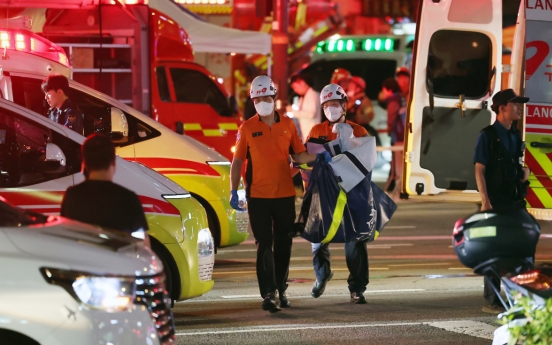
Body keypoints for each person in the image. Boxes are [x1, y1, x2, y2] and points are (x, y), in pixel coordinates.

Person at [229, 75, 328, 313]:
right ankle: (268, 294)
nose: (263, 101)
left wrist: (323, 157)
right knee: (264, 244)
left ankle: (281, 289)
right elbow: (237, 161)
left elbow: (300, 157)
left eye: (267, 97)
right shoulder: (248, 127)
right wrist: (234, 190)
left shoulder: (287, 125)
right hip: (258, 197)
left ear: (274, 98)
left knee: (283, 243)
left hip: (284, 195)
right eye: (258, 98)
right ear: (253, 100)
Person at [305, 83, 370, 304]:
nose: (331, 108)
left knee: (354, 241)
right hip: (323, 193)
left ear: (344, 105)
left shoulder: (359, 131)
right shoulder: (316, 132)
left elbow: (366, 163)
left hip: (350, 193)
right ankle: (322, 275)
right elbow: (307, 161)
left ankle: (357, 288)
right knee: (318, 239)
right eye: (327, 105)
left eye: (335, 104)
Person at [473, 89, 531, 314]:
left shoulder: (515, 135)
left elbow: (515, 164)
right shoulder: (486, 136)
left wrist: (522, 176)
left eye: (520, 104)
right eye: (514, 104)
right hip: (496, 202)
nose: (519, 107)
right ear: (501, 107)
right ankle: (492, 300)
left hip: (515, 202)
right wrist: (485, 200)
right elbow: (479, 170)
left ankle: (523, 299)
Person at [61, 133, 149, 244]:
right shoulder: (128, 198)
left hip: (82, 260)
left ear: (84, 164)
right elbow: (142, 244)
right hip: (117, 261)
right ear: (113, 162)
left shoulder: (72, 196)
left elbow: (66, 238)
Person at [381, 78, 407, 196]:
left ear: (389, 89)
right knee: (403, 166)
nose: (383, 92)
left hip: (399, 137)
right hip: (405, 135)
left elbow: (391, 120)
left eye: (384, 90)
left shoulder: (393, 101)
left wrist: (388, 129)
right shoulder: (401, 99)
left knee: (398, 168)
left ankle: (398, 193)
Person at [287, 73, 321, 142]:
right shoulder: (303, 97)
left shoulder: (313, 95)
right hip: (306, 134)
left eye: (295, 87)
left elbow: (311, 114)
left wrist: (293, 112)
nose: (295, 90)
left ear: (302, 83)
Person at [345, 76, 378, 144]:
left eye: (352, 84)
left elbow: (369, 116)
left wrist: (357, 118)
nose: (349, 86)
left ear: (358, 87)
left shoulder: (364, 101)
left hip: (359, 135)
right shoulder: (348, 100)